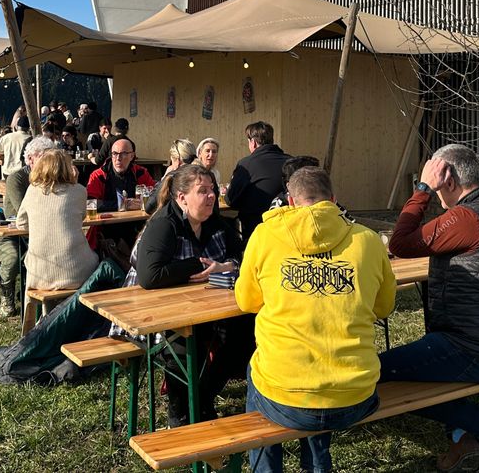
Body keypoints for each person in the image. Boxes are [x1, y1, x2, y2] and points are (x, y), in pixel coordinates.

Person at [381, 144, 479, 472]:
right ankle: (460, 437)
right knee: (426, 361)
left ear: (446, 179)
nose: (436, 193)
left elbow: (400, 243)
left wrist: (422, 189)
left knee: (376, 372)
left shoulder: (467, 217)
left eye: (435, 183)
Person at [236, 166, 395, 473]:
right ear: (333, 200)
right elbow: (384, 307)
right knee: (319, 368)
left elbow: (246, 301)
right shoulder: (368, 240)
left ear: (290, 201)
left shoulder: (265, 236)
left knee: (259, 370)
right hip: (355, 396)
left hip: (285, 399)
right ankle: (318, 466)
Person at [134, 163, 247, 426]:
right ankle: (180, 415)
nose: (211, 196)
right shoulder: (164, 224)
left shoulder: (215, 222)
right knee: (185, 345)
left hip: (207, 307)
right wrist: (197, 265)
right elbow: (149, 277)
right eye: (203, 191)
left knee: (244, 334)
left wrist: (226, 266)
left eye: (212, 190)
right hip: (156, 315)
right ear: (182, 198)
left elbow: (246, 256)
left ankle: (203, 398)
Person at [15, 148, 98, 294]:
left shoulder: (32, 190)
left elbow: (21, 223)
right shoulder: (79, 191)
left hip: (39, 274)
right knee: (98, 256)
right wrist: (75, 182)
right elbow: (81, 217)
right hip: (75, 272)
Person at [0, 135, 57, 317]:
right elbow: (25, 212)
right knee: (12, 259)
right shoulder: (17, 179)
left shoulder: (52, 178)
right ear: (30, 159)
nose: (48, 162)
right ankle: (7, 294)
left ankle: (44, 296)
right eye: (43, 157)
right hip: (13, 234)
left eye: (50, 157)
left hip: (41, 234)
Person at [225, 121, 291, 243]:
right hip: (288, 229)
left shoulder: (246, 164)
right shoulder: (291, 162)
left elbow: (230, 200)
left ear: (253, 142)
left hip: (257, 231)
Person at [85, 137, 155, 249]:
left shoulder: (140, 173)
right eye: (114, 154)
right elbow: (91, 203)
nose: (118, 158)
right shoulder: (98, 176)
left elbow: (156, 196)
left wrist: (143, 203)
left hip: (137, 227)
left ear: (132, 156)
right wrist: (123, 204)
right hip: (107, 230)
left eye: (123, 154)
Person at [0, 115, 32, 180]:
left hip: (7, 173)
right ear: (29, 128)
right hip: (23, 174)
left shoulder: (6, 137)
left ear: (17, 126)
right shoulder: (30, 139)